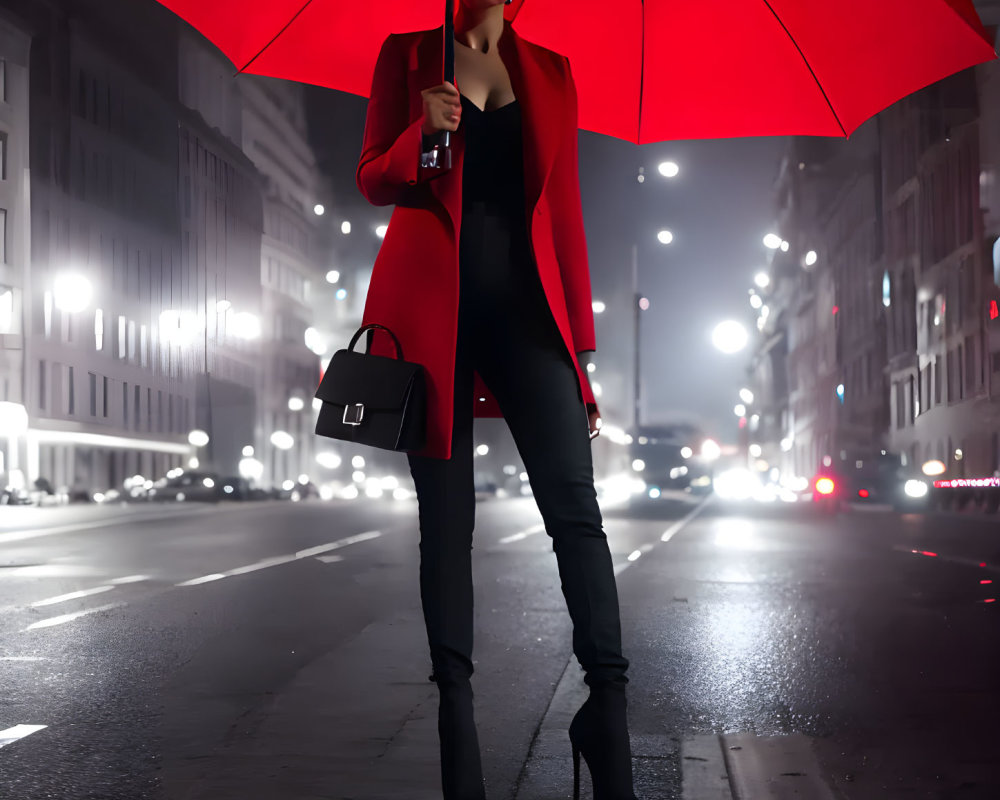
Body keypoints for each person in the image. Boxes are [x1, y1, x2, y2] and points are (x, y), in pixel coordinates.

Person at [356, 2, 638, 798]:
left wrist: (581, 355)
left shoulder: (550, 71)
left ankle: (607, 710)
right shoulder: (407, 55)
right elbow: (373, 175)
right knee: (447, 530)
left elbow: (566, 214)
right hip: (429, 314)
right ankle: (458, 735)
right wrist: (423, 132)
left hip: (530, 315)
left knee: (577, 513)